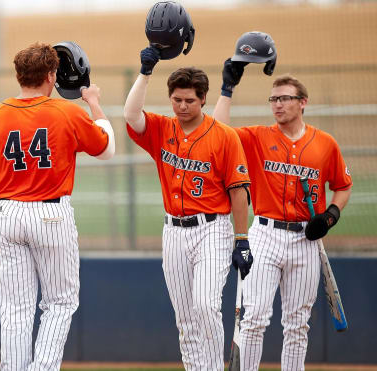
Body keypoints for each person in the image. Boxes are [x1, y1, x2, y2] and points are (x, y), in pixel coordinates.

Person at [0, 42, 115, 371]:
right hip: (50, 214)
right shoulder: (67, 112)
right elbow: (106, 148)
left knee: (16, 308)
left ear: (19, 75)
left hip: (7, 214)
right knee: (59, 303)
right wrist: (94, 103)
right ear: (50, 75)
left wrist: (3, 181)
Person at [213, 59, 353, 370]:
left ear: (303, 103)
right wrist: (227, 89)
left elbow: (342, 186)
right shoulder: (258, 137)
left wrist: (330, 216)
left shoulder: (326, 144)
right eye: (274, 99)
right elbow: (218, 132)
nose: (278, 105)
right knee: (254, 320)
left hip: (306, 239)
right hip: (265, 234)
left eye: (285, 98)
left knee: (297, 324)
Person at [123, 46, 253, 370]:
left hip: (213, 229)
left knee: (206, 307)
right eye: (177, 99)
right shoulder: (162, 129)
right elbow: (130, 115)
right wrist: (145, 71)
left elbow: (239, 192)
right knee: (186, 319)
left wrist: (242, 239)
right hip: (174, 233)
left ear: (204, 99)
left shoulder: (224, 137)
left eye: (190, 100)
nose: (182, 106)